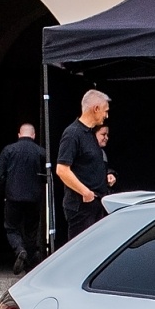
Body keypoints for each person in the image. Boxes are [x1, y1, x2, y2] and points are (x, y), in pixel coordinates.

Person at [55, 89, 110, 241]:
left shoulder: (90, 134)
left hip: (95, 204)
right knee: (83, 250)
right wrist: (85, 192)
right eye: (105, 111)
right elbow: (62, 169)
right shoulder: (72, 133)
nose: (106, 116)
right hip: (81, 206)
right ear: (96, 108)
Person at [0, 122, 45, 274]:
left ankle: (19, 250)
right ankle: (29, 265)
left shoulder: (8, 150)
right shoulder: (41, 152)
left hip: (13, 197)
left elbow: (0, 175)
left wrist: (3, 192)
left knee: (11, 228)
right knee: (31, 231)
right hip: (34, 198)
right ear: (34, 135)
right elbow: (46, 176)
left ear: (19, 135)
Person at [95, 125, 117, 195]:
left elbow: (103, 169)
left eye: (107, 135)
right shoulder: (83, 152)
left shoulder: (102, 152)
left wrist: (109, 174)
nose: (106, 138)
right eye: (103, 134)